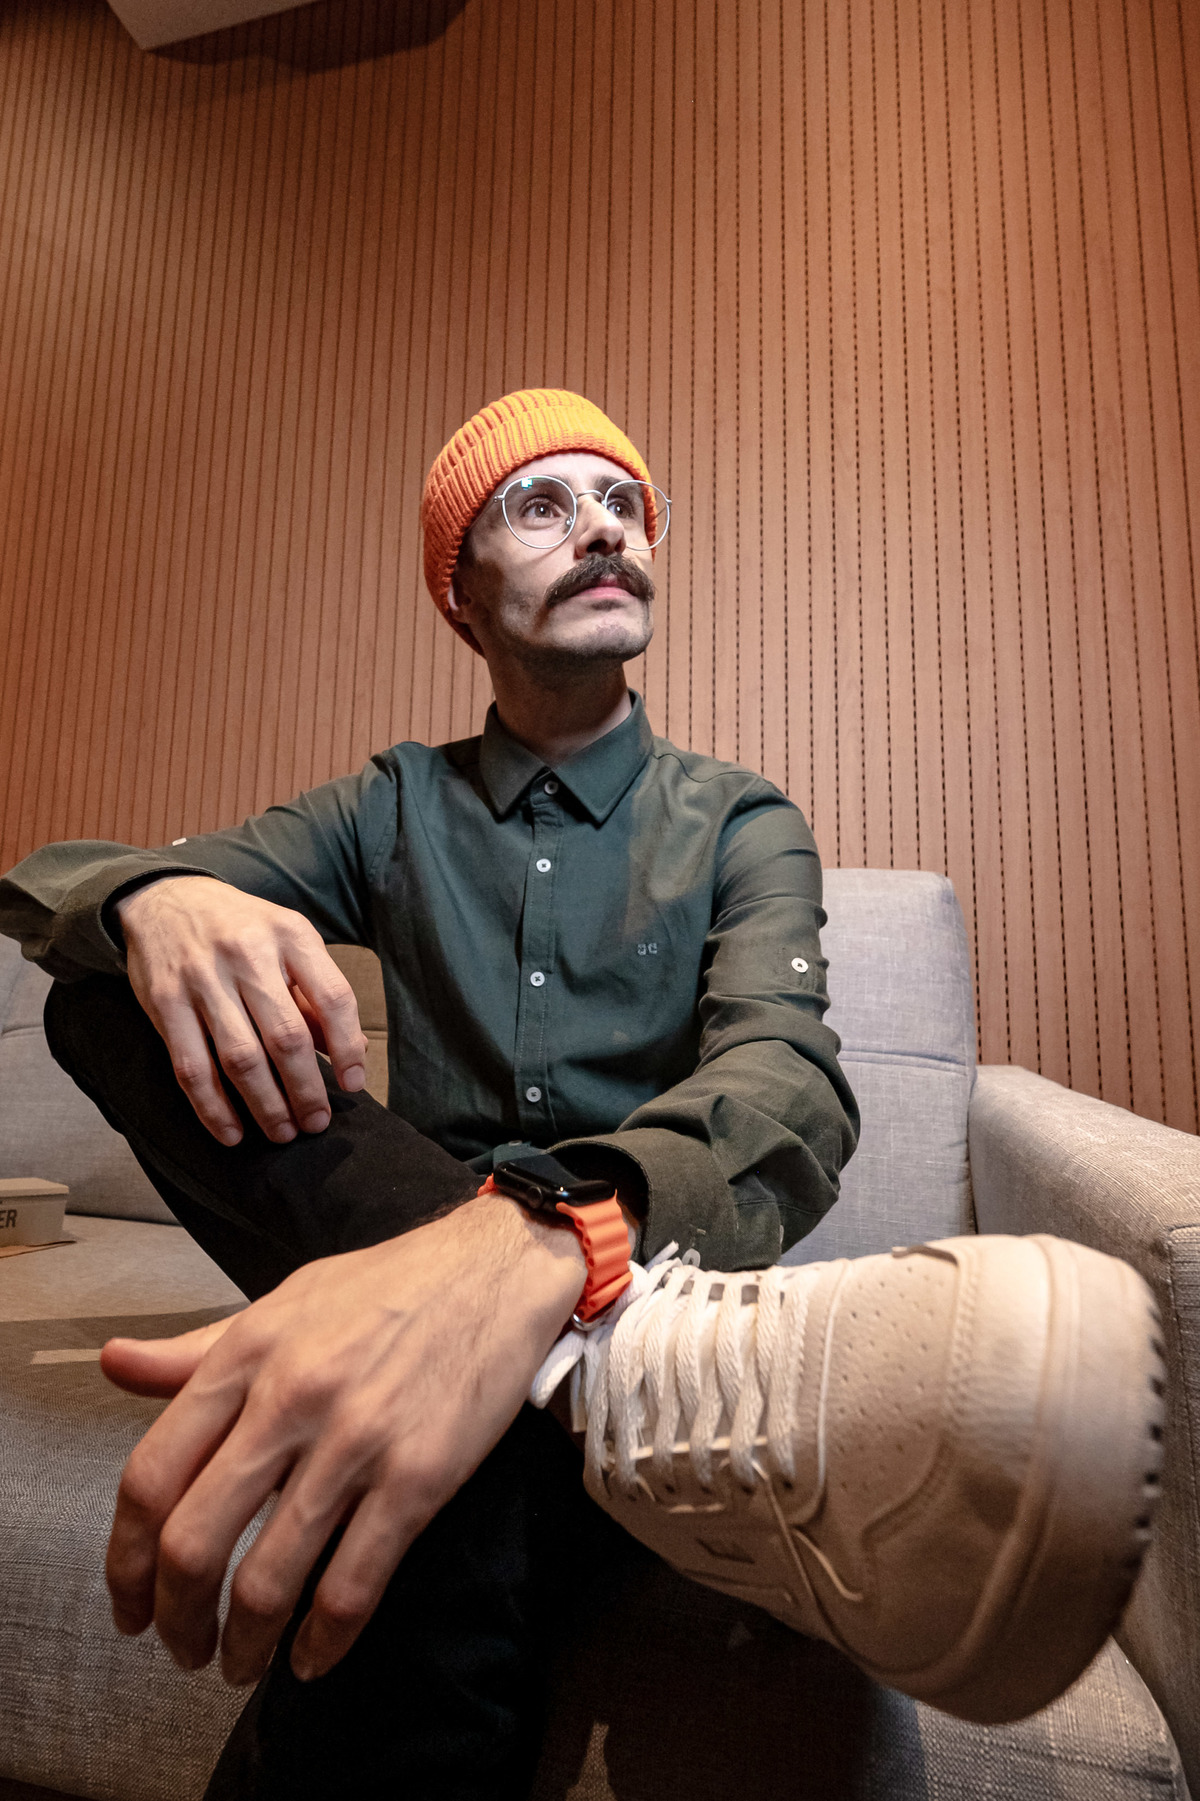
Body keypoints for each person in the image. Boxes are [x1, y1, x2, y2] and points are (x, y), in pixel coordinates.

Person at [0, 390, 1164, 1799]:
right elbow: (50, 888)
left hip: (641, 1254)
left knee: (457, 1501)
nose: (604, 528)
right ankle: (600, 1386)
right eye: (542, 506)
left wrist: (553, 1232)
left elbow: (786, 1078)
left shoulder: (740, 819)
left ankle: (548, 1358)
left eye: (623, 502)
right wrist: (156, 895)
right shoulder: (388, 806)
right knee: (100, 986)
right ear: (460, 593)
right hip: (457, 1271)